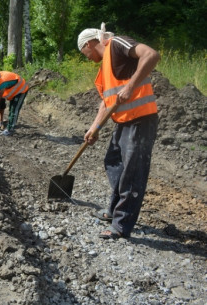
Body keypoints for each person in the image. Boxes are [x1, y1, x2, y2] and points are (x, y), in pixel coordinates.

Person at [78, 23, 160, 239]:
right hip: (123, 122)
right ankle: (115, 210)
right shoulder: (103, 71)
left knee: (132, 174)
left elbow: (151, 55)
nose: (84, 56)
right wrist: (94, 128)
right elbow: (106, 103)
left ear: (88, 43)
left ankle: (121, 226)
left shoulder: (116, 45)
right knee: (113, 162)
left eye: (83, 52)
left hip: (141, 120)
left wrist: (131, 87)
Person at [0, 70, 29, 136]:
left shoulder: (3, 82)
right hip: (15, 92)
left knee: (14, 110)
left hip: (21, 90)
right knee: (11, 110)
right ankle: (10, 126)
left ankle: (10, 130)